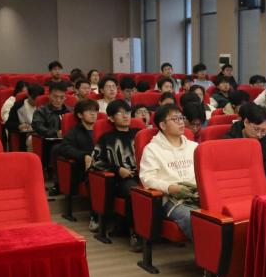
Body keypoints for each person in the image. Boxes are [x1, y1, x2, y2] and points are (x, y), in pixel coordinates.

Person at [139, 103, 200, 240]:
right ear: (163, 125)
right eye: (175, 119)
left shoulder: (194, 147)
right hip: (172, 199)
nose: (181, 122)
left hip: (197, 194)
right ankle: (209, 253)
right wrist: (170, 188)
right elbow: (147, 179)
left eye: (181, 118)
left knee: (218, 215)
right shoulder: (152, 149)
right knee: (194, 219)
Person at [91, 99, 141, 250]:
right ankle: (135, 234)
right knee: (136, 193)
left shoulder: (139, 134)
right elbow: (96, 161)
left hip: (144, 175)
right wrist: (118, 170)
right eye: (120, 113)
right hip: (121, 179)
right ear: (111, 118)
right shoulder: (107, 138)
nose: (125, 116)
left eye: (128, 112)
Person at [56, 98, 101, 231]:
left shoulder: (102, 130)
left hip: (103, 165)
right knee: (95, 178)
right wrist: (84, 156)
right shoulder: (74, 132)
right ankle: (95, 216)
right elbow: (64, 148)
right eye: (89, 111)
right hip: (83, 169)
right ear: (80, 115)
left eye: (95, 111)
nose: (93, 114)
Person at [224, 103, 266, 187]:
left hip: (261, 184)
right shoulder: (228, 141)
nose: (259, 134)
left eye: (263, 131)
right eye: (256, 129)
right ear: (246, 122)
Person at [5, 83, 42, 150]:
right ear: (28, 95)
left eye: (38, 99)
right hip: (26, 136)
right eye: (33, 98)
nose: (35, 101)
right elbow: (8, 123)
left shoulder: (44, 105)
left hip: (43, 133)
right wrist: (19, 126)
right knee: (32, 140)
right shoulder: (19, 106)